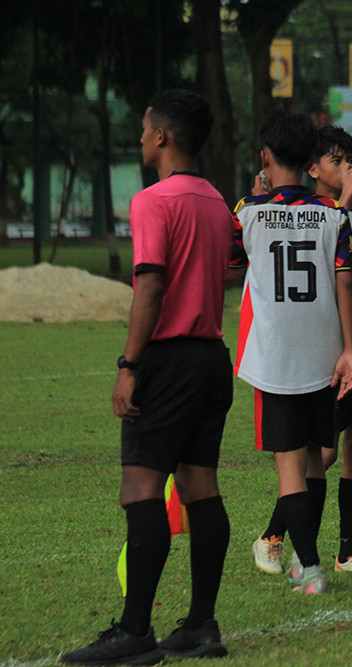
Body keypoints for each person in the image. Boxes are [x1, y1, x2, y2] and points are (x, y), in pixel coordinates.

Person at [61, 89, 234, 665]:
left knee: (140, 488)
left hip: (169, 359)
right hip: (212, 357)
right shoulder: (215, 200)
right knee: (199, 486)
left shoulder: (152, 200)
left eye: (143, 129)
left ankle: (135, 634)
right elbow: (230, 266)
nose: (139, 139)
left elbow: (152, 283)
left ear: (162, 136)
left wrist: (129, 366)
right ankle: (201, 625)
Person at [251, 125, 352, 577]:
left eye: (351, 158)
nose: (349, 167)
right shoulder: (321, 215)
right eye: (337, 160)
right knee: (321, 452)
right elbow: (325, 262)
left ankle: (348, 552)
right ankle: (273, 537)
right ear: (312, 169)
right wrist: (345, 203)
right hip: (331, 354)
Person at [231, 111, 352, 595]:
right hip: (323, 355)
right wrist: (349, 349)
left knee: (290, 466)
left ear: (265, 157)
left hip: (275, 358)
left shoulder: (248, 212)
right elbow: (345, 279)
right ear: (310, 161)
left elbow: (227, 258)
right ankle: (306, 559)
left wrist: (257, 199)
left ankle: (309, 567)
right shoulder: (334, 215)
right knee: (313, 459)